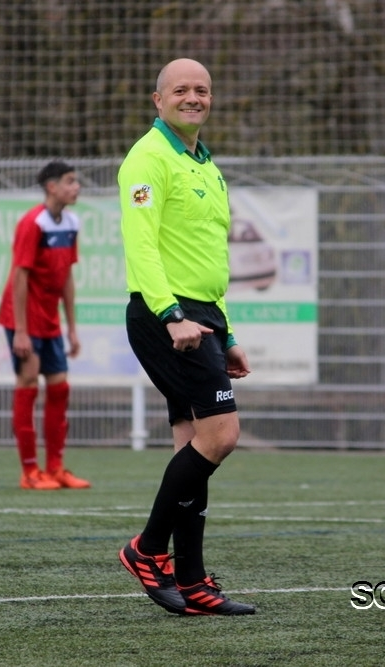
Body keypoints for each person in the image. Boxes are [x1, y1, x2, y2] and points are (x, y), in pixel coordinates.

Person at [116, 58, 255, 616]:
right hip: (166, 316)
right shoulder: (147, 157)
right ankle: (147, 549)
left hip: (203, 318)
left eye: (202, 89)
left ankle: (193, 581)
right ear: (159, 100)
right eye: (181, 90)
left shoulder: (206, 165)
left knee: (192, 443)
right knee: (221, 435)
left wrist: (228, 332)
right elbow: (141, 245)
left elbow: (207, 260)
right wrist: (172, 314)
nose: (193, 97)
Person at [0, 160, 90, 490]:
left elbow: (66, 278)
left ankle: (55, 468)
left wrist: (72, 328)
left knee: (60, 386)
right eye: (70, 181)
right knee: (28, 382)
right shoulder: (32, 223)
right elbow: (19, 276)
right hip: (22, 317)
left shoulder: (71, 222)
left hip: (49, 319)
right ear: (52, 187)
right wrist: (21, 331)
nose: (76, 187)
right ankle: (29, 471)